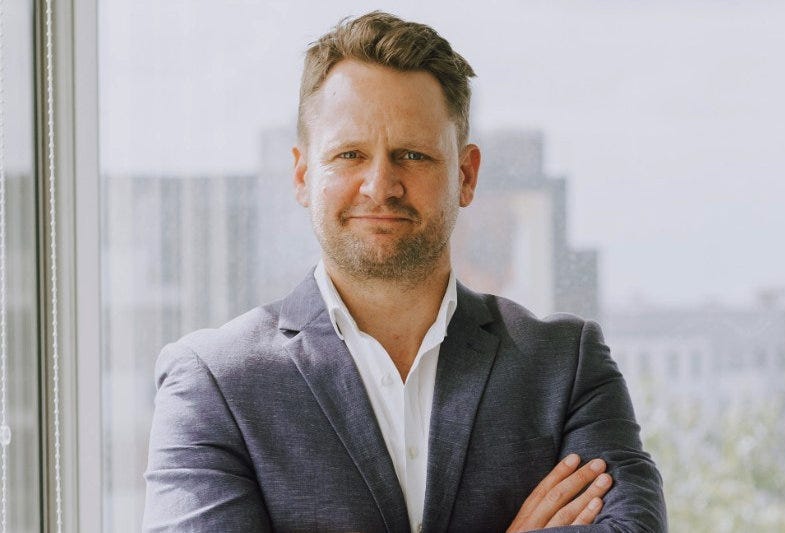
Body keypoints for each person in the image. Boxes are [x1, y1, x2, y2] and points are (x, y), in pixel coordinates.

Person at [143, 11, 666, 532]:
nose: (380, 185)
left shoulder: (565, 366)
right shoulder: (214, 382)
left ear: (466, 175)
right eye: (350, 154)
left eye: (412, 154)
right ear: (302, 175)